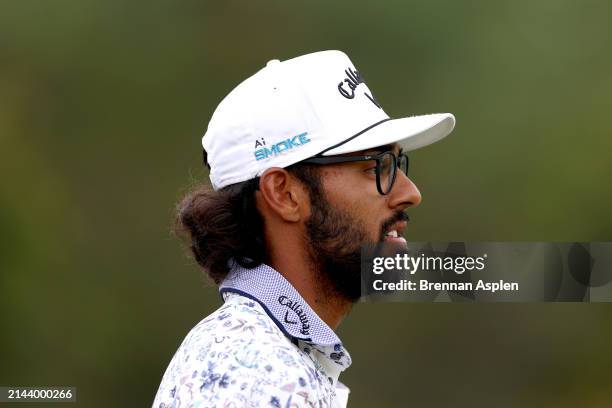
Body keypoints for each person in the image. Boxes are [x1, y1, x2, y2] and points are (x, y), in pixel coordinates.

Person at [153, 50, 455, 407]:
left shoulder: (273, 354)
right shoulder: (256, 373)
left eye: (398, 163)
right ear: (284, 194)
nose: (410, 193)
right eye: (376, 166)